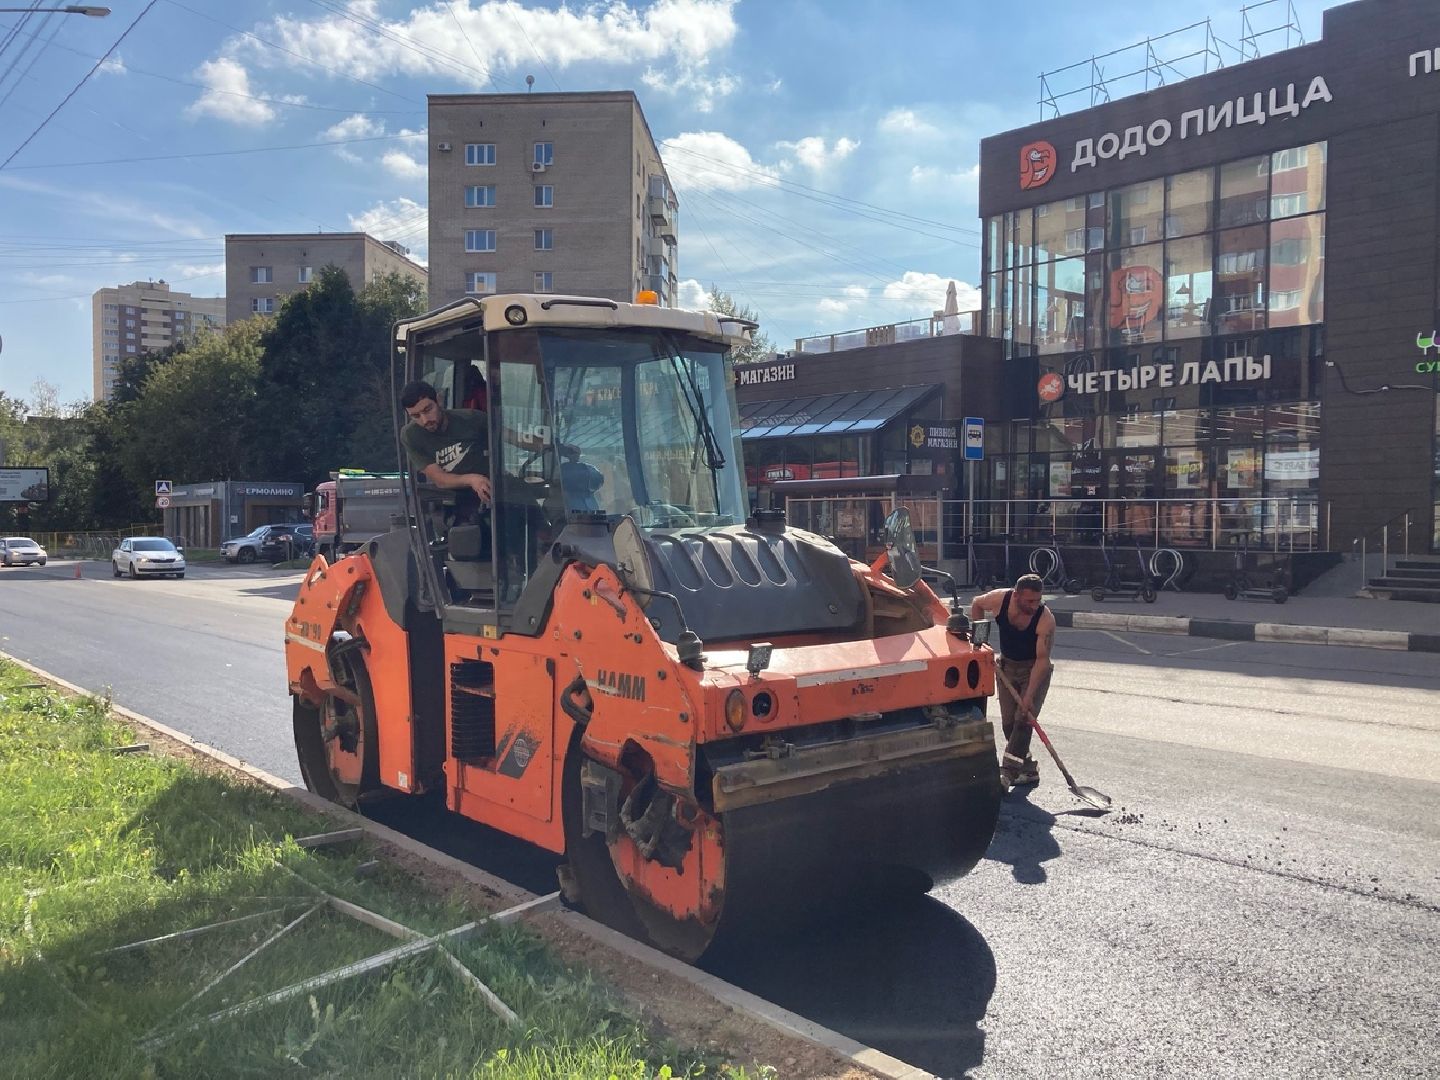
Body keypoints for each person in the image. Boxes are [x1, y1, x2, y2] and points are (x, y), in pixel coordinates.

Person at [969, 573, 1057, 789]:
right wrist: (980, 641)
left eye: (1038, 600)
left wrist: (1029, 697)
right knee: (1009, 724)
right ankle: (1028, 769)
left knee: (1023, 720)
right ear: (1016, 595)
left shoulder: (1045, 619)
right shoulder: (1000, 599)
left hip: (1033, 670)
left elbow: (1042, 661)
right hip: (1007, 666)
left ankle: (1007, 774)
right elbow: (976, 604)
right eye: (1029, 601)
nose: (1035, 605)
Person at [399, 380, 492, 519]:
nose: (425, 420)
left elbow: (513, 437)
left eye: (428, 410)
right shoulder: (411, 435)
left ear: (439, 400)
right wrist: (473, 479)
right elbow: (440, 479)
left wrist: (535, 442)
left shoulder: (472, 419)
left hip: (494, 489)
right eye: (416, 416)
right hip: (456, 503)